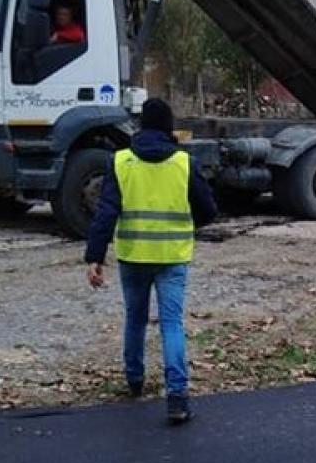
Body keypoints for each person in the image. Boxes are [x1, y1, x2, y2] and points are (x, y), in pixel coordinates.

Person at [85, 98, 217, 424]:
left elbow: (105, 213)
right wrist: (186, 225)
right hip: (172, 257)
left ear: (141, 125)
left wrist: (95, 257)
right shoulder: (184, 163)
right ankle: (177, 399)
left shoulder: (121, 161)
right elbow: (208, 210)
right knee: (172, 324)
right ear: (169, 126)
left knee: (135, 319)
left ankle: (134, 380)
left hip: (133, 257)